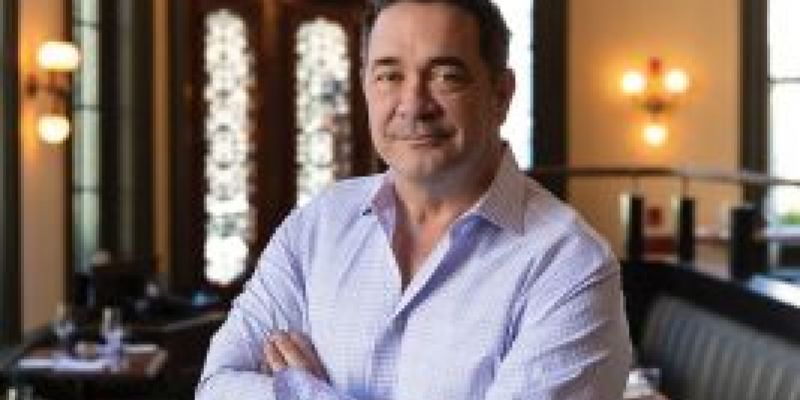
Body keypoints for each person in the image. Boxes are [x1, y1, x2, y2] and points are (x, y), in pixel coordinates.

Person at [197, 0, 632, 399]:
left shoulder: (570, 266)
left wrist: (303, 393)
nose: (413, 105)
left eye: (446, 76)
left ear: (500, 94)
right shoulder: (317, 226)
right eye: (389, 75)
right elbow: (217, 386)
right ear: (366, 87)